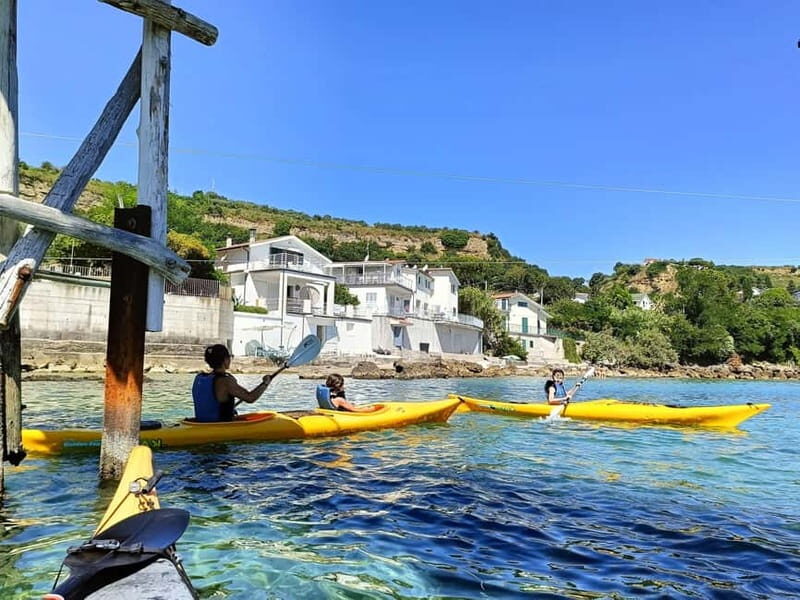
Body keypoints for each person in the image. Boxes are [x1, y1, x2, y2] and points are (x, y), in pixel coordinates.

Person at [192, 344, 273, 422]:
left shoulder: (199, 378)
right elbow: (251, 398)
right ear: (225, 360)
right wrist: (265, 383)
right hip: (219, 426)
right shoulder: (226, 381)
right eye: (230, 357)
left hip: (199, 424)